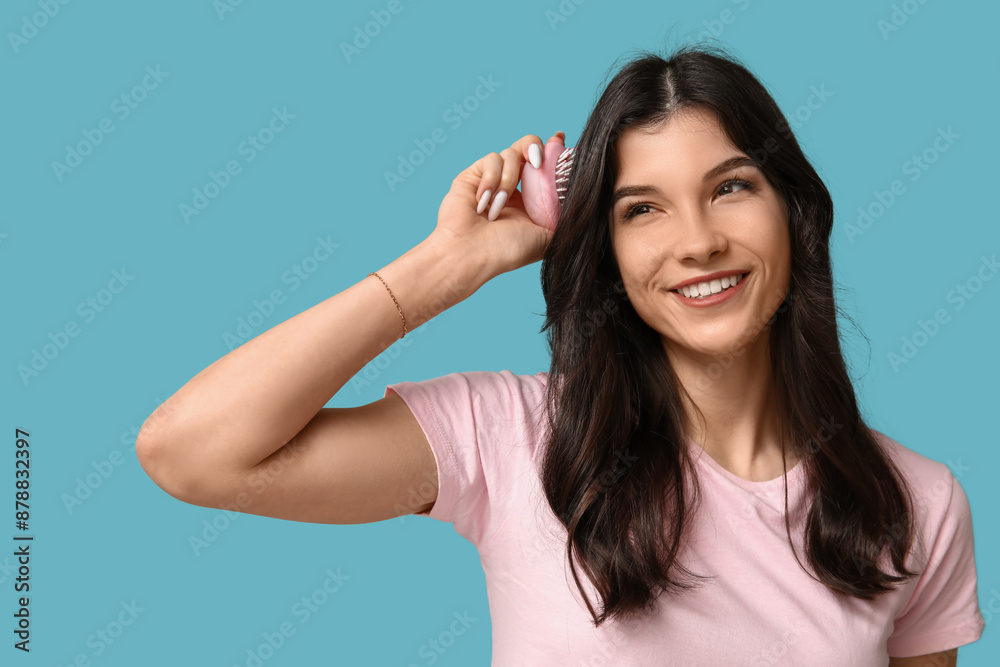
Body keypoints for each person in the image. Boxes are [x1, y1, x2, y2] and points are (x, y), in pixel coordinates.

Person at [135, 44, 985, 665]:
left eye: (730, 187)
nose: (697, 242)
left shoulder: (916, 502)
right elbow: (189, 452)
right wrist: (444, 267)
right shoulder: (514, 437)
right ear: (606, 250)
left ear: (792, 213)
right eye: (642, 209)